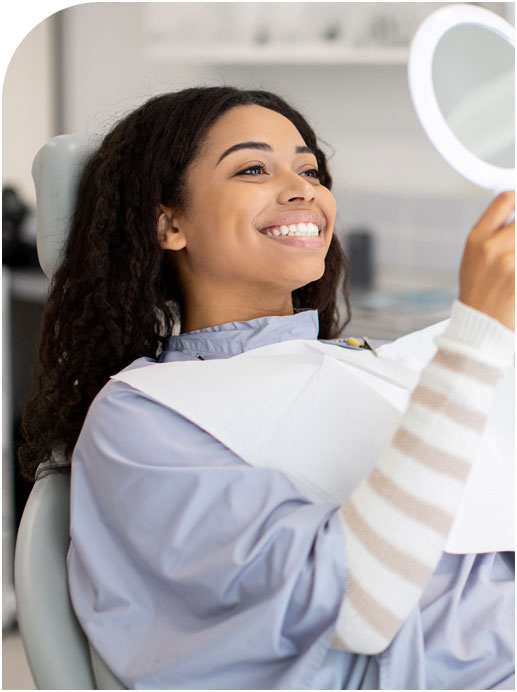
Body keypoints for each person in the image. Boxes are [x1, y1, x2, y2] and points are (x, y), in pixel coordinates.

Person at [19, 86, 514, 689]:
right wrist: (475, 341)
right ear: (168, 222)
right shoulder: (143, 417)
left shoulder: (362, 363)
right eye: (253, 168)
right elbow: (357, 606)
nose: (303, 187)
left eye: (309, 169)